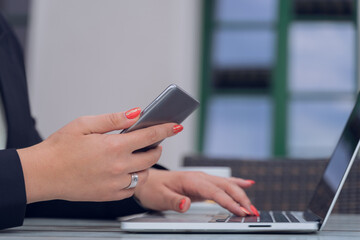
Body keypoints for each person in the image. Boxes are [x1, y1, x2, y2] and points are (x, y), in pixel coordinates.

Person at [0, 13, 258, 231]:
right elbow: (32, 175)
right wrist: (41, 171)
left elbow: (30, 194)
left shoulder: (6, 40)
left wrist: (140, 185)